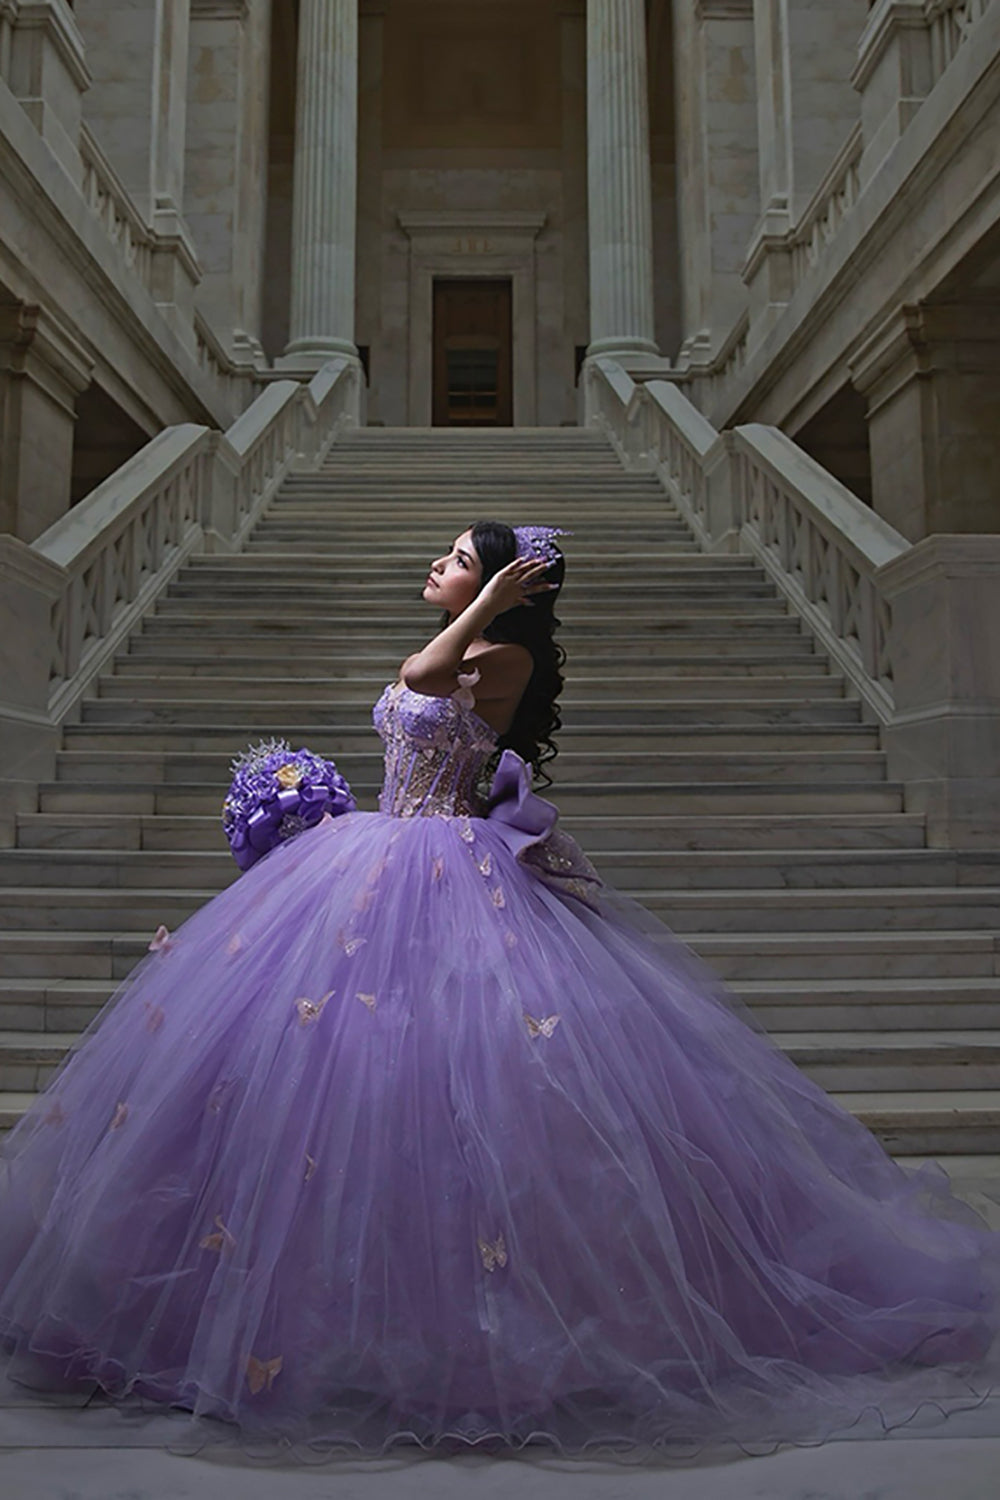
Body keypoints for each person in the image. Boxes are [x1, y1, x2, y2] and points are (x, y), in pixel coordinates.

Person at [0, 519, 998, 1467]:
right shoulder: (465, 640)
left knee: (474, 1083)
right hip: (373, 857)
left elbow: (421, 678)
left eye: (456, 559)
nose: (435, 568)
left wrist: (486, 611)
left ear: (498, 587)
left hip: (450, 871)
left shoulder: (497, 658)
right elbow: (410, 713)